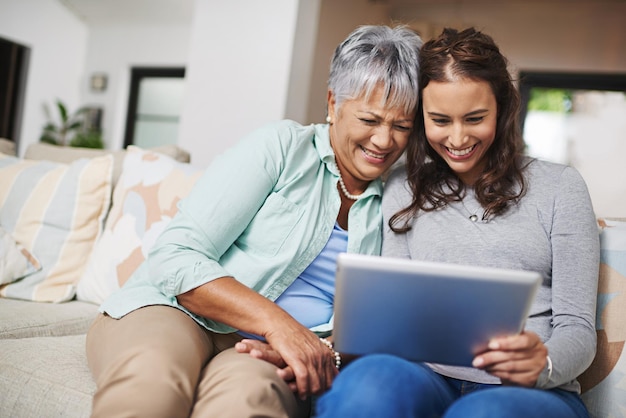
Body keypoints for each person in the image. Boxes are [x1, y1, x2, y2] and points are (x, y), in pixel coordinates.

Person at [85, 24, 422, 418]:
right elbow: (174, 255)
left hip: (271, 352)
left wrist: (325, 350)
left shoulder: (404, 198)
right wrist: (278, 323)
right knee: (153, 382)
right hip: (177, 312)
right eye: (370, 120)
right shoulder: (282, 147)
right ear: (333, 104)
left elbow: (386, 319)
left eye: (401, 126)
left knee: (247, 403)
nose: (384, 141)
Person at [315, 27, 599, 418]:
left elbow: (578, 327)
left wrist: (544, 363)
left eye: (475, 118)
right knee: (367, 389)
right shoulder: (402, 187)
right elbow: (392, 314)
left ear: (502, 108)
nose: (458, 137)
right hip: (425, 376)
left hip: (530, 392)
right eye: (440, 120)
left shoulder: (560, 187)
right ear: (420, 117)